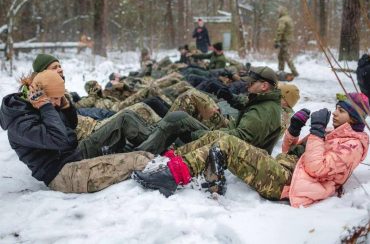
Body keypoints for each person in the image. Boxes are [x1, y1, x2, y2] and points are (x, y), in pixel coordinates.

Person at [133, 92, 369, 207]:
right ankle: (169, 162)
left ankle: (171, 176)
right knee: (217, 135)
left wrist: (316, 132)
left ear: (355, 116)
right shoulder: (333, 135)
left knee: (227, 144)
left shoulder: (353, 144)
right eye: (336, 108)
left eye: (342, 110)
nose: (335, 113)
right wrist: (295, 130)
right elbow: (289, 152)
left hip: (287, 184)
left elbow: (318, 168)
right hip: (283, 169)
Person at [0, 69, 154, 193]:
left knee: (128, 129)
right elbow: (60, 140)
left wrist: (65, 106)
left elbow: (70, 126)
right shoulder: (20, 123)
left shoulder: (40, 104)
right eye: (54, 99)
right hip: (62, 175)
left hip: (73, 155)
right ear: (41, 95)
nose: (56, 103)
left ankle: (164, 154)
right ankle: (170, 170)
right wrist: (46, 107)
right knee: (140, 161)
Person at [136, 66, 281, 156]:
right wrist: (230, 96)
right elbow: (247, 106)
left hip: (228, 149)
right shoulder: (264, 102)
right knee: (178, 115)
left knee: (178, 118)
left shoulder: (265, 111)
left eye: (252, 82)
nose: (247, 84)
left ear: (264, 86)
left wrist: (201, 134)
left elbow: (239, 138)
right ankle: (152, 141)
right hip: (224, 137)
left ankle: (143, 151)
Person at [274, 6, 298, 77]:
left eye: (278, 11)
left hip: (283, 40)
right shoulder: (289, 19)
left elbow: (280, 31)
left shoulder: (282, 20)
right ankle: (281, 70)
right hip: (288, 40)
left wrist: (277, 41)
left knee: (285, 56)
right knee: (281, 55)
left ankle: (293, 71)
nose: (277, 13)